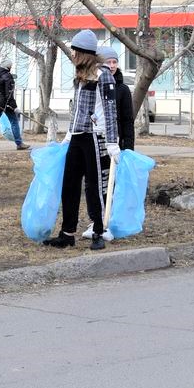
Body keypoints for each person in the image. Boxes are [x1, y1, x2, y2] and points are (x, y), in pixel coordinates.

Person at [44, 30, 120, 252]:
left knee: (94, 186)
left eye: (75, 50)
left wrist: (112, 142)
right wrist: (69, 134)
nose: (73, 54)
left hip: (96, 138)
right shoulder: (80, 74)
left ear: (84, 52)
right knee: (69, 185)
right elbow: (77, 108)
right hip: (78, 136)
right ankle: (67, 234)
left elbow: (110, 110)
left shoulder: (102, 74)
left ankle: (98, 231)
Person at [82, 45, 136, 241]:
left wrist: (127, 147)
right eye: (108, 62)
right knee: (92, 184)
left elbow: (127, 120)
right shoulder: (93, 85)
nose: (112, 66)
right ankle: (95, 220)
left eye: (114, 62)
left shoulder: (122, 89)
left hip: (114, 143)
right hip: (94, 141)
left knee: (109, 184)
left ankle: (108, 222)